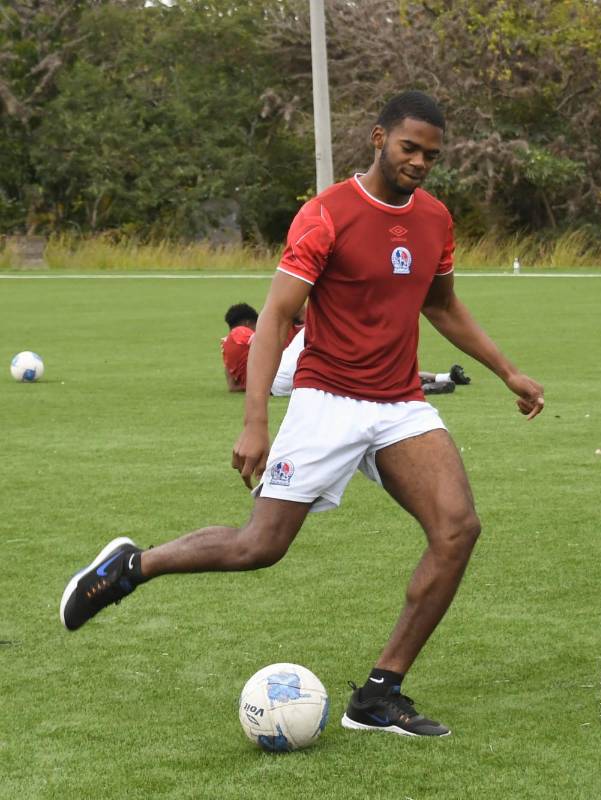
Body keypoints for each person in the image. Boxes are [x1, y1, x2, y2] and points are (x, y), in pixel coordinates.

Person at [61, 91, 546, 736]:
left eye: (432, 153)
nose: (421, 162)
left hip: (400, 403)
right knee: (258, 547)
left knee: (458, 528)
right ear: (378, 138)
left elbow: (442, 304)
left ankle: (379, 693)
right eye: (409, 148)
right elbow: (276, 319)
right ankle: (131, 566)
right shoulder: (327, 214)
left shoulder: (434, 220)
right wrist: (255, 421)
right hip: (327, 400)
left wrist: (506, 369)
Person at [221, 303, 470, 396]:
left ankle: (440, 379)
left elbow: (234, 387)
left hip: (281, 383)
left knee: (352, 369)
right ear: (245, 324)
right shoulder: (241, 333)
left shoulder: (229, 347)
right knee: (335, 325)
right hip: (280, 378)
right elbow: (261, 342)